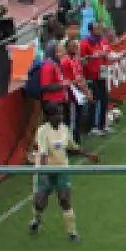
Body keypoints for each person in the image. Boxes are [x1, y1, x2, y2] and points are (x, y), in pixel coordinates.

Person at [28, 102, 99, 242]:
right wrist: (42, 173)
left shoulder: (65, 129)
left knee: (65, 200)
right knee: (40, 202)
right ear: (49, 116)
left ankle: (72, 233)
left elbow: (71, 148)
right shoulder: (43, 131)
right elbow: (42, 153)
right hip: (45, 169)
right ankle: (36, 220)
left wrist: (87, 154)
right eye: (57, 114)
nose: (60, 117)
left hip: (62, 169)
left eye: (61, 114)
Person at [80, 23, 117, 136]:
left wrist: (117, 56)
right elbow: (82, 60)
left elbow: (109, 53)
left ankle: (102, 125)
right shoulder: (85, 43)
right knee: (94, 100)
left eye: (100, 28)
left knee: (104, 98)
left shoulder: (103, 41)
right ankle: (92, 127)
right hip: (91, 75)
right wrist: (93, 56)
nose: (100, 30)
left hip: (102, 74)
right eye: (97, 28)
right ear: (91, 30)